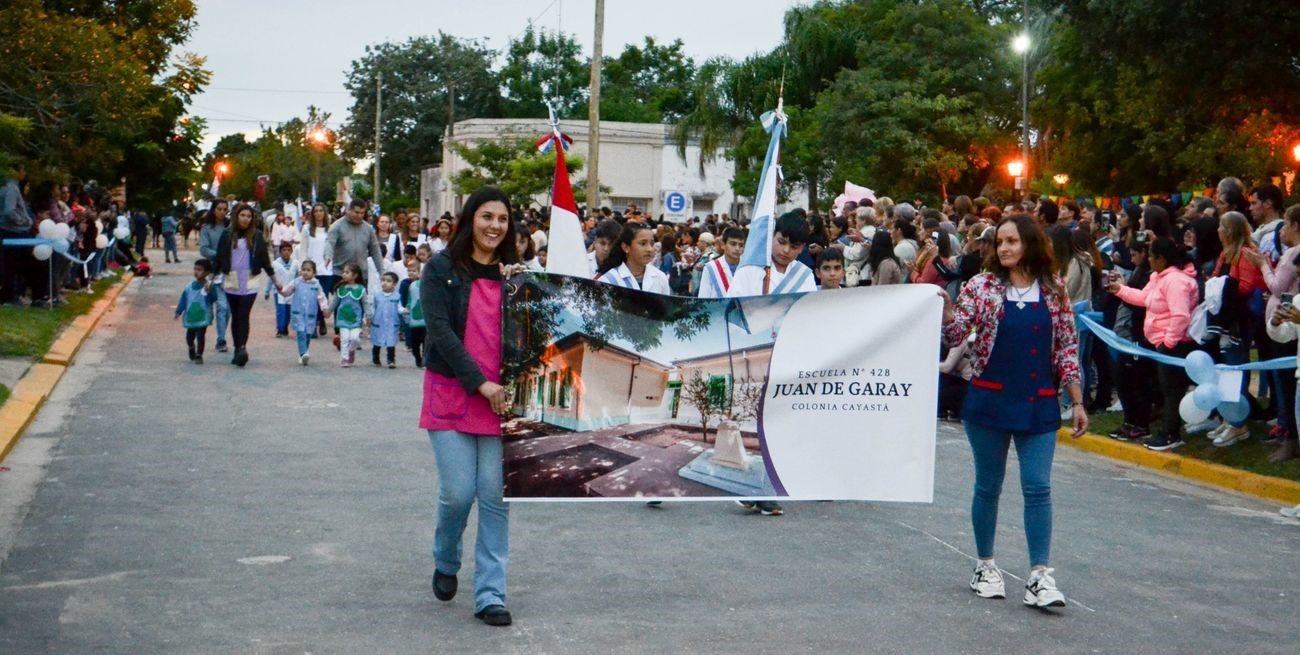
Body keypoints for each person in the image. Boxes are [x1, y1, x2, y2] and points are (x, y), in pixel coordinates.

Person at [941, 214, 1086, 609]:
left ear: (1030, 244)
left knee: (1038, 488)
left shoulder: (1054, 290)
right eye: (999, 241)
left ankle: (1039, 574)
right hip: (988, 399)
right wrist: (946, 309)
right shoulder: (981, 286)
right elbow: (956, 334)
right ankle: (985, 564)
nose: (1003, 248)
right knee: (988, 487)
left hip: (1039, 401)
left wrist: (1076, 400)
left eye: (1012, 241)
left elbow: (1067, 348)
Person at [419, 186, 521, 627]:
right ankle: (446, 558)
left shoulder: (516, 277)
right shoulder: (439, 269)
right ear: (469, 219)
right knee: (458, 493)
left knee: (496, 497)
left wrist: (524, 289)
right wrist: (480, 383)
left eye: (502, 219)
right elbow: (439, 332)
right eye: (486, 217)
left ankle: (490, 594)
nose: (494, 226)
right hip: (452, 393)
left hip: (502, 402)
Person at [1107, 238, 1199, 451]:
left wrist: (1168, 342)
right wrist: (1119, 289)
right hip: (1158, 344)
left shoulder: (1176, 281)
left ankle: (1172, 433)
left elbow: (1180, 315)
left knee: (1172, 390)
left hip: (1173, 345)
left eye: (1151, 256)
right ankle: (1167, 429)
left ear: (1162, 258)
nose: (1148, 259)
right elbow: (1144, 298)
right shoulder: (1158, 277)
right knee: (1162, 387)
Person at [1207, 211, 1267, 447]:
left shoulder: (1246, 253)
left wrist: (1222, 287)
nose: (1218, 231)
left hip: (1240, 322)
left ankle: (1238, 423)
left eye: (1221, 227)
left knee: (1235, 369)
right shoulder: (1226, 253)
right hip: (1225, 319)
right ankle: (1228, 416)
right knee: (1225, 369)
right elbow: (1214, 277)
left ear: (1229, 230)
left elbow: (1246, 286)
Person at [215, 203, 277, 367]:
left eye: (249, 216)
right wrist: (210, 278)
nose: (245, 219)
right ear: (236, 216)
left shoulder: (256, 236)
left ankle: (242, 348)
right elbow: (219, 257)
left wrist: (275, 280)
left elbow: (264, 259)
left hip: (250, 280)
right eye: (242, 215)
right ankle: (237, 348)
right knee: (235, 315)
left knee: (244, 314)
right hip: (232, 279)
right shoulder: (227, 234)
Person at [729, 213, 817, 297]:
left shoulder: (805, 276)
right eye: (781, 242)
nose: (786, 250)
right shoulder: (749, 269)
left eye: (794, 247)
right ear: (772, 236)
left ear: (802, 248)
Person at [277, 260, 328, 366]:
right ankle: (304, 352)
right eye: (303, 270)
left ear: (314, 272)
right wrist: (281, 290)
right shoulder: (296, 282)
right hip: (298, 312)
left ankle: (303, 354)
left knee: (308, 333)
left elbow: (321, 297)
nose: (305, 272)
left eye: (308, 270)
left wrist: (325, 308)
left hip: (310, 313)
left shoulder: (316, 284)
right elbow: (287, 291)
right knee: (301, 332)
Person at [596, 223, 672, 294]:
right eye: (643, 243)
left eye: (652, 244)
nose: (649, 249)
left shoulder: (660, 277)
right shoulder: (608, 280)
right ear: (626, 247)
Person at [200, 200, 232, 351]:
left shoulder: (230, 227)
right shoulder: (207, 228)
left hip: (230, 271)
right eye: (219, 209)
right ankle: (216, 338)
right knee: (218, 308)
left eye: (225, 209)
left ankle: (222, 337)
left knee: (227, 309)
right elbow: (204, 249)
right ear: (213, 210)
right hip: (213, 270)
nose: (222, 212)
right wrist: (220, 255)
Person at [328, 199, 383, 286]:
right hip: (340, 274)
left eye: (362, 213)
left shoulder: (368, 229)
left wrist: (381, 271)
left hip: (361, 276)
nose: (359, 216)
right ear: (348, 210)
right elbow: (329, 243)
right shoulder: (336, 226)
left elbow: (375, 250)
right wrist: (328, 255)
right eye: (356, 212)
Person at [299, 203, 333, 336]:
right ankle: (312, 326)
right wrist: (302, 268)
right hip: (312, 269)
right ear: (312, 214)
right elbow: (303, 249)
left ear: (325, 213)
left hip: (327, 268)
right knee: (312, 298)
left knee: (323, 296)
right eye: (316, 211)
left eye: (321, 211)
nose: (319, 214)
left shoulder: (330, 230)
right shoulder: (307, 229)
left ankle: (321, 320)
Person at [174, 259, 217, 364]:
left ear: (207, 272)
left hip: (203, 316)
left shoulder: (208, 286)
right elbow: (184, 299)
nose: (196, 272)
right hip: (191, 316)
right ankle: (191, 346)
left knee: (201, 336)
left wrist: (209, 291)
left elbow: (213, 299)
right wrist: (178, 311)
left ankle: (199, 354)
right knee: (189, 337)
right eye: (195, 269)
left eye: (200, 270)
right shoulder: (189, 287)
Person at [331, 262, 368, 367]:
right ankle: (344, 358)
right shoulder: (341, 288)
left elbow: (365, 303)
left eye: (347, 272)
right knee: (345, 339)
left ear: (355, 275)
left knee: (355, 338)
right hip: (342, 318)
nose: (344, 274)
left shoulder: (361, 289)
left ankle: (351, 350)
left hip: (356, 319)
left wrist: (369, 315)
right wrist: (328, 310)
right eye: (343, 272)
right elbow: (335, 301)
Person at [698, 227, 745, 298]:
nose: (737, 248)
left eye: (741, 245)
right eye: (733, 244)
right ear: (723, 245)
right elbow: (703, 299)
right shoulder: (711, 268)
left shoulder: (747, 267)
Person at [265, 242, 299, 337]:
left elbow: (298, 277)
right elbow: (271, 278)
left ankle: (285, 327)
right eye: (284, 250)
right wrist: (267, 291)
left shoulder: (295, 263)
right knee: (280, 310)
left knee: (288, 310)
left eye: (288, 250)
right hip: (279, 291)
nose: (286, 252)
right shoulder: (275, 264)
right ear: (280, 252)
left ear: (291, 251)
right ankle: (280, 329)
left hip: (291, 292)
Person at [369, 271, 402, 368]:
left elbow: (399, 307)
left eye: (388, 281)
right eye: (383, 280)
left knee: (391, 341)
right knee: (377, 341)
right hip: (379, 322)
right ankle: (375, 359)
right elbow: (373, 308)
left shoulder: (397, 296)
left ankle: (391, 360)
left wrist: (404, 311)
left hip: (392, 323)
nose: (385, 283)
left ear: (394, 284)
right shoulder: (377, 296)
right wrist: (370, 317)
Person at [400, 261, 426, 367]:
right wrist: (406, 308)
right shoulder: (409, 285)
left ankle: (424, 359)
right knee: (414, 342)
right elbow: (409, 299)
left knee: (425, 340)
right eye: (409, 271)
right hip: (413, 318)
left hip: (425, 319)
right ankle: (417, 358)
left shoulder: (426, 285)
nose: (411, 273)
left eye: (414, 271)